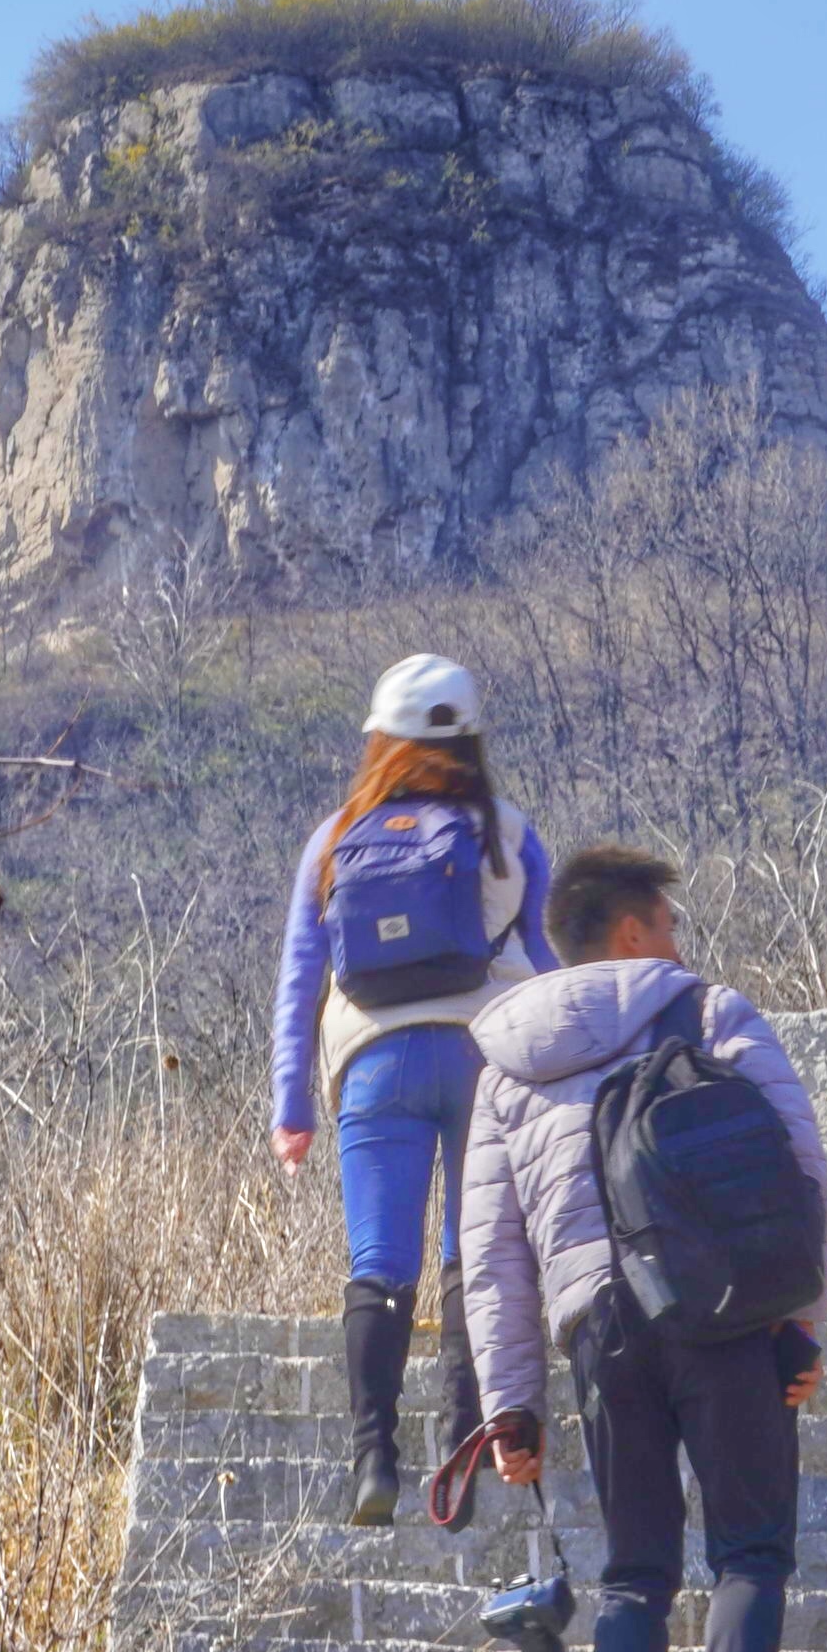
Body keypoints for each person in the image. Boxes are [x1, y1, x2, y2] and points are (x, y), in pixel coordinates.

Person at [458, 846, 827, 1652]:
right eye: (665, 922)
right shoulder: (705, 1011)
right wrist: (801, 1320)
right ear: (630, 933)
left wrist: (511, 1407)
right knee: (750, 1545)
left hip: (598, 1329)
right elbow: (798, 1166)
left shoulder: (504, 1065)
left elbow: (489, 1257)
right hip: (718, 1301)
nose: (676, 940)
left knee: (634, 1570)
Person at [271, 654, 558, 1527]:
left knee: (380, 1261)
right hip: (487, 1058)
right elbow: (544, 964)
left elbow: (301, 977)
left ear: (379, 743)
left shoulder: (335, 839)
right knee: (473, 1257)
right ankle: (466, 1446)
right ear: (469, 740)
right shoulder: (508, 832)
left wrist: (292, 1106)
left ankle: (374, 1460)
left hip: (376, 1063)